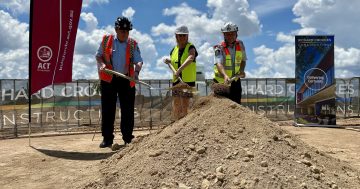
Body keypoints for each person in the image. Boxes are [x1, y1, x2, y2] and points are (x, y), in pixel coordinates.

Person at [95, 16, 143, 148]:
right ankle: (107, 138)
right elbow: (98, 56)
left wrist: (137, 73)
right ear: (116, 29)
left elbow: (139, 61)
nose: (125, 33)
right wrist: (101, 65)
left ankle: (128, 137)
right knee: (108, 109)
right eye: (122, 31)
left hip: (127, 80)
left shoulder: (133, 44)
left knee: (127, 110)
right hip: (109, 78)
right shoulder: (106, 41)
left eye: (127, 31)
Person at [163, 25, 198, 120]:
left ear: (187, 36)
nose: (182, 38)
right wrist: (169, 61)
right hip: (176, 82)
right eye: (180, 35)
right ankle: (176, 123)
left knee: (186, 105)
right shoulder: (173, 50)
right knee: (176, 104)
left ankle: (186, 125)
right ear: (176, 36)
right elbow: (175, 62)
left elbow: (191, 57)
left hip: (187, 82)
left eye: (184, 35)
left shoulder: (191, 47)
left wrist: (179, 70)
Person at [213, 22, 247, 104]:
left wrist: (242, 70)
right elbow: (218, 63)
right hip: (221, 83)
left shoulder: (240, 44)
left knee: (236, 106)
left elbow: (243, 59)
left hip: (235, 81)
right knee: (220, 108)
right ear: (224, 35)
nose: (230, 36)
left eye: (232, 34)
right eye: (227, 34)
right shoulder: (219, 48)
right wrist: (225, 75)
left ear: (236, 34)